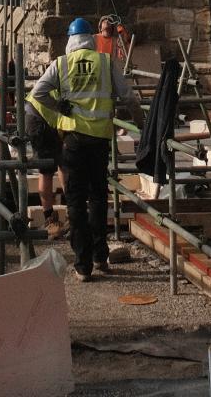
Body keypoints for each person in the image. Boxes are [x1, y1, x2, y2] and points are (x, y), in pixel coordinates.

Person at [30, 16, 143, 282]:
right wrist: (143, 124)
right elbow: (127, 96)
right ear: (91, 38)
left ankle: (82, 265)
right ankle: (100, 256)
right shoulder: (104, 62)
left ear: (70, 40)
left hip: (74, 141)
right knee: (99, 199)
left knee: (76, 201)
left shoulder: (61, 64)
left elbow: (38, 93)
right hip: (100, 141)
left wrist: (60, 107)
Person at [25, 33, 66, 239]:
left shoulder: (62, 69)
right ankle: (51, 219)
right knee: (50, 169)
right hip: (40, 122)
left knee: (60, 164)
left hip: (41, 119)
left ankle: (65, 214)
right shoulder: (65, 72)